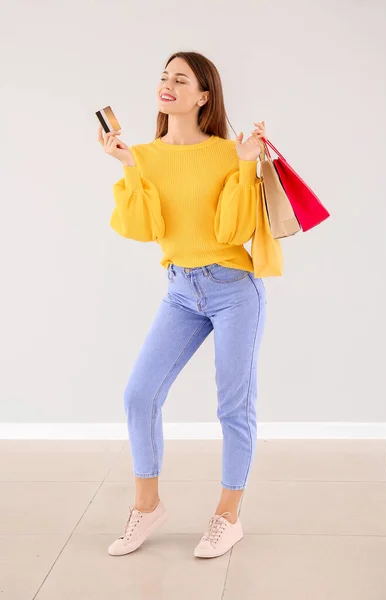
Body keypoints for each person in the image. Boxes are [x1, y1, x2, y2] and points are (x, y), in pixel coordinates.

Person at [98, 51, 267, 559]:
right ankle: (146, 506)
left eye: (180, 79)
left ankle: (227, 515)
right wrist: (129, 166)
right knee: (138, 395)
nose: (167, 85)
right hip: (179, 290)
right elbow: (141, 229)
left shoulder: (227, 151)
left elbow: (236, 230)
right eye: (163, 77)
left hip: (235, 287)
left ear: (203, 96)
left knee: (233, 405)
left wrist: (244, 165)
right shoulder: (144, 154)